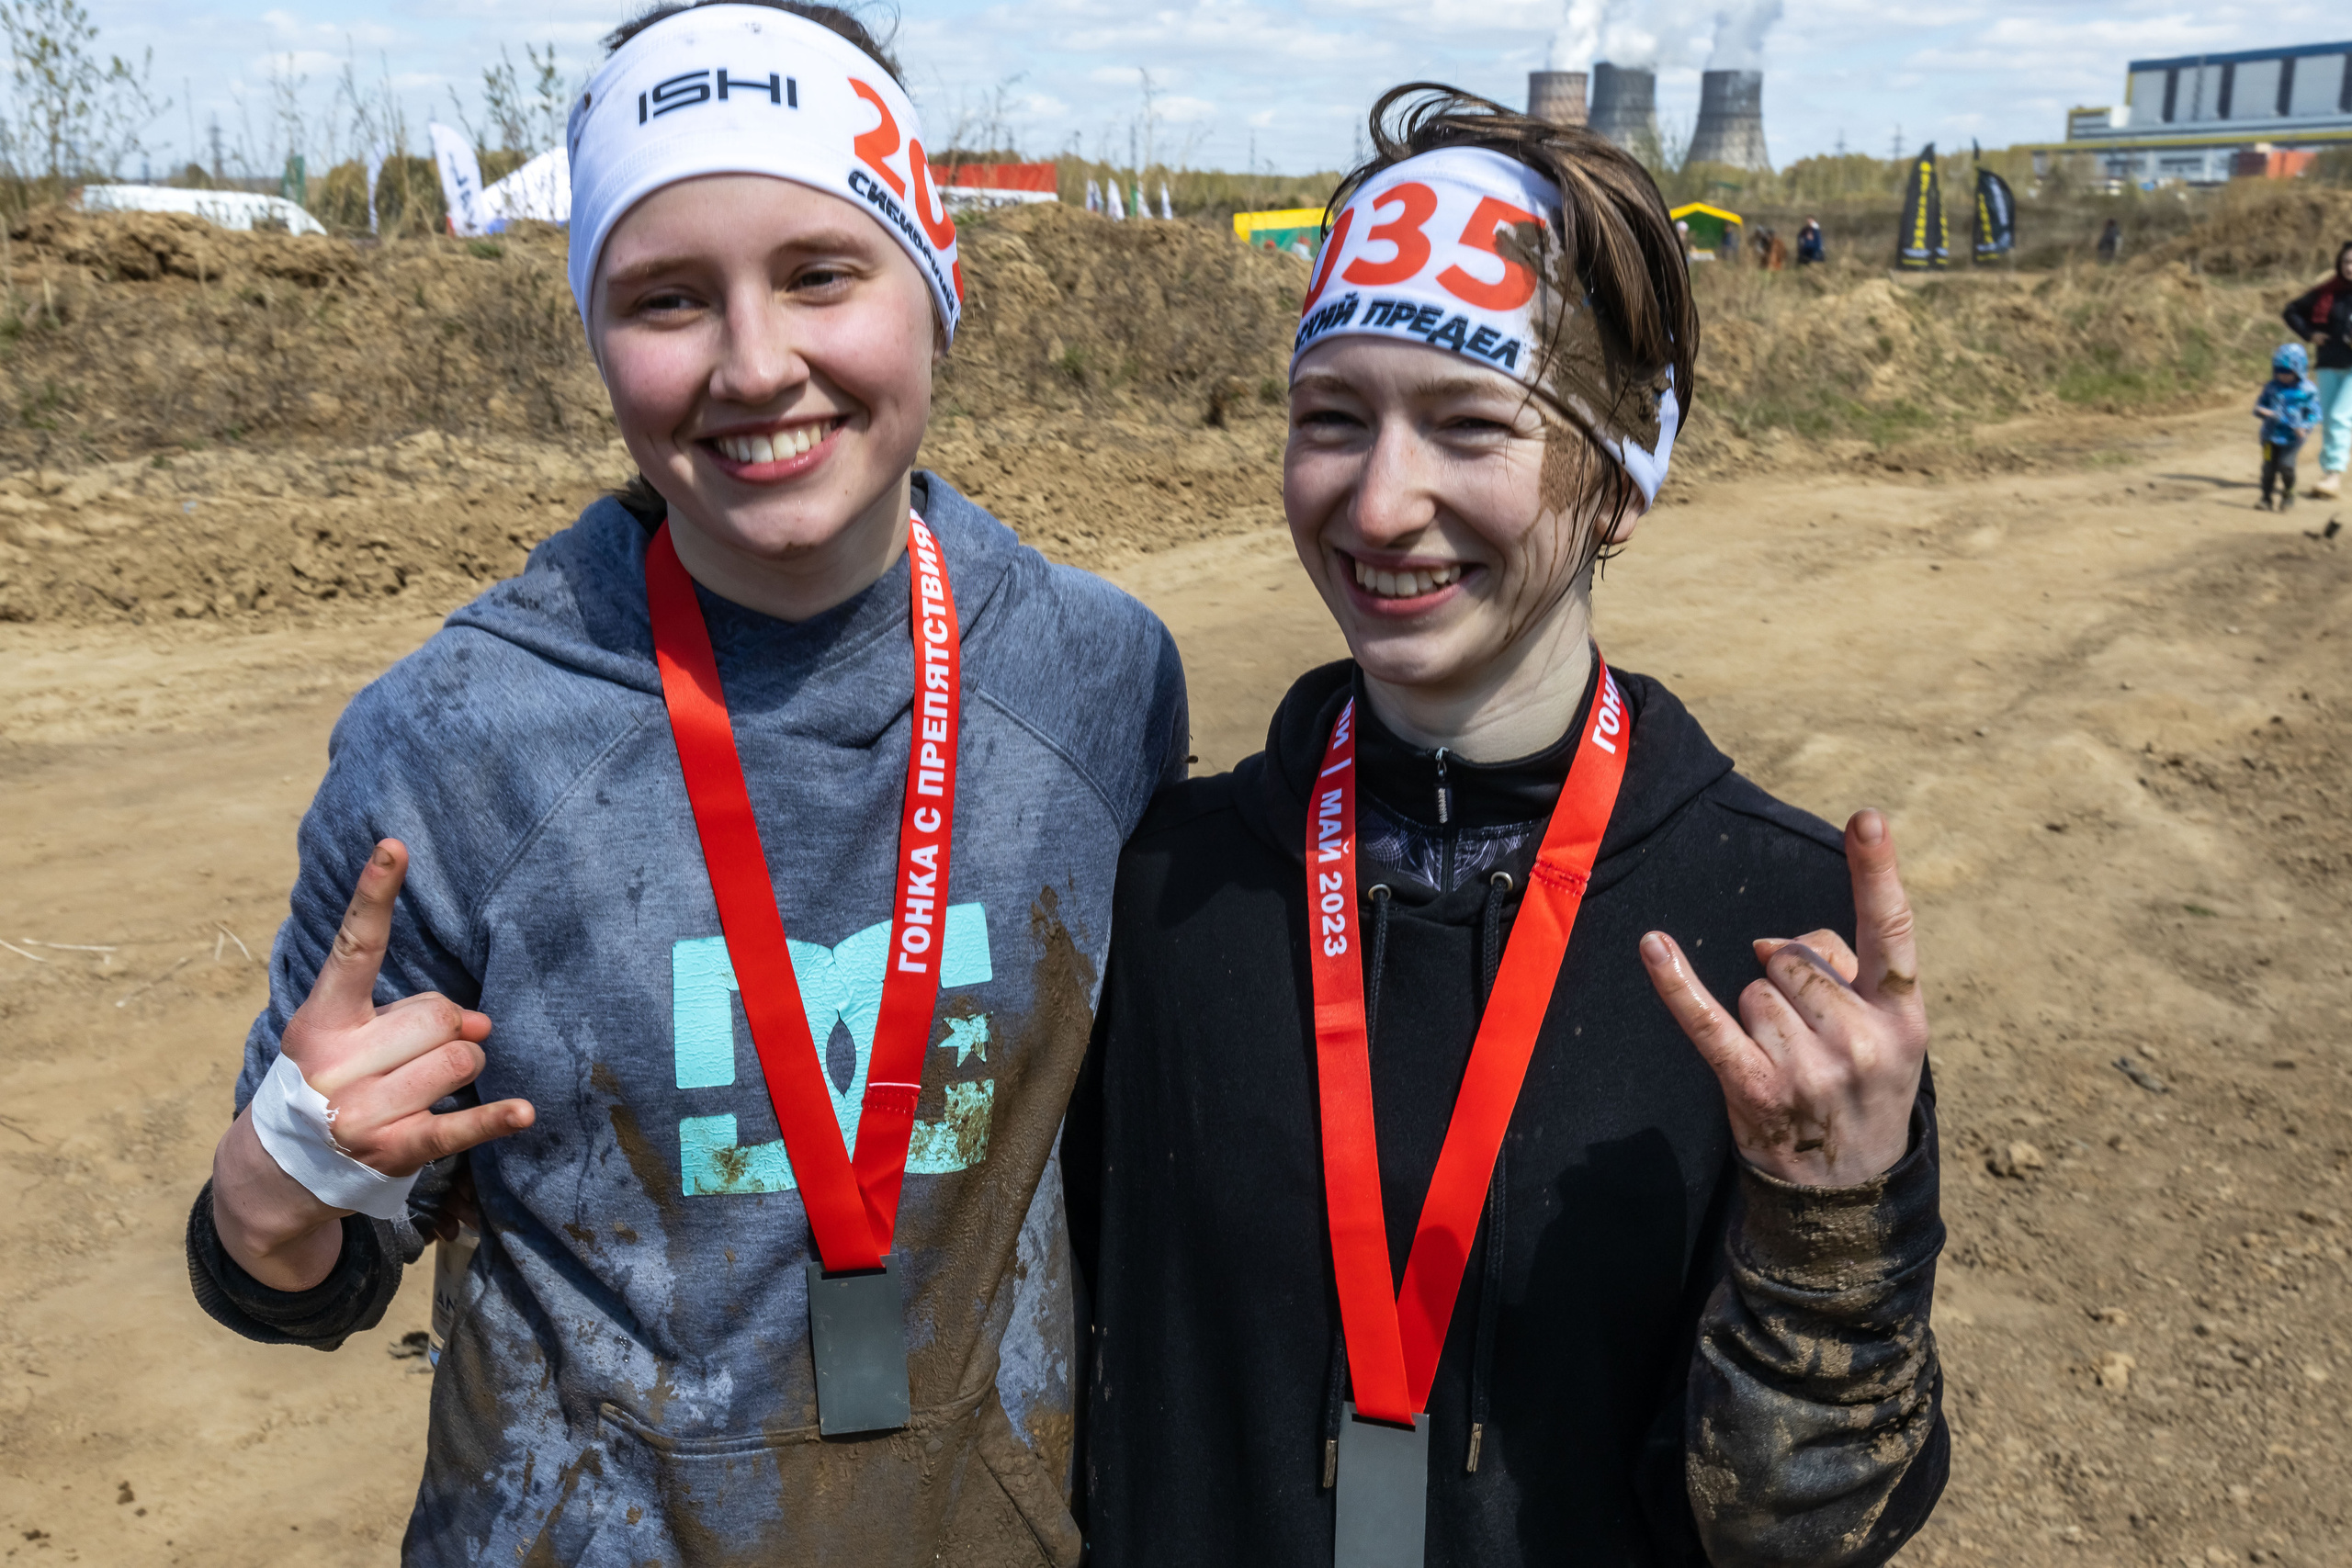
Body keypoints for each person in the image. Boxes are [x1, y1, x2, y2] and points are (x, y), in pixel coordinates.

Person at [184, 4, 1185, 1562]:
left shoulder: (1097, 681)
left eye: (819, 272)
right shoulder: (451, 743)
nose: (755, 362)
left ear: (936, 280)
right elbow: (313, 1267)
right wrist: (274, 1191)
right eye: (666, 298)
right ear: (596, 338)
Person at [1068, 85, 1946, 1567]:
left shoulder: (1782, 940)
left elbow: (1806, 1537)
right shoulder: (1168, 887)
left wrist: (1832, 1253)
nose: (1381, 499)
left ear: (1619, 476)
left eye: (1470, 423)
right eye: (1331, 417)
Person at [2281, 239, 2352, 499]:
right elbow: (2291, 311)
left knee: (2340, 417)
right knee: (2332, 420)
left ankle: (2333, 474)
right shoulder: (2326, 292)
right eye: (2346, 261)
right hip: (2328, 364)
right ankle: (2330, 473)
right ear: (2339, 263)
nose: (2350, 267)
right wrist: (2310, 334)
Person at [2254, 343, 2322, 512]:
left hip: (2292, 438)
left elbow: (2315, 414)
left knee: (2286, 466)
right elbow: (2259, 406)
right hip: (2270, 435)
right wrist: (2263, 411)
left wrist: (2304, 426)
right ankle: (2266, 498)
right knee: (2268, 467)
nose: (2282, 375)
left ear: (2299, 370)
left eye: (2287, 372)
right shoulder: (2271, 387)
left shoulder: (2308, 390)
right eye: (2279, 371)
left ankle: (2288, 493)